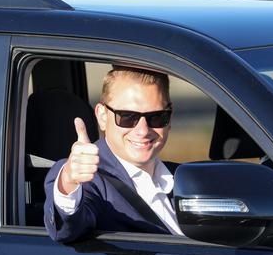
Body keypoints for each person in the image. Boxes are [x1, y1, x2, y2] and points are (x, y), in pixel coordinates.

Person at [44, 66, 183, 243]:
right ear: (102, 116)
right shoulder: (89, 179)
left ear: (169, 118)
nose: (143, 130)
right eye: (127, 117)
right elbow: (66, 228)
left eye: (156, 117)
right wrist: (68, 181)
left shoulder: (183, 175)